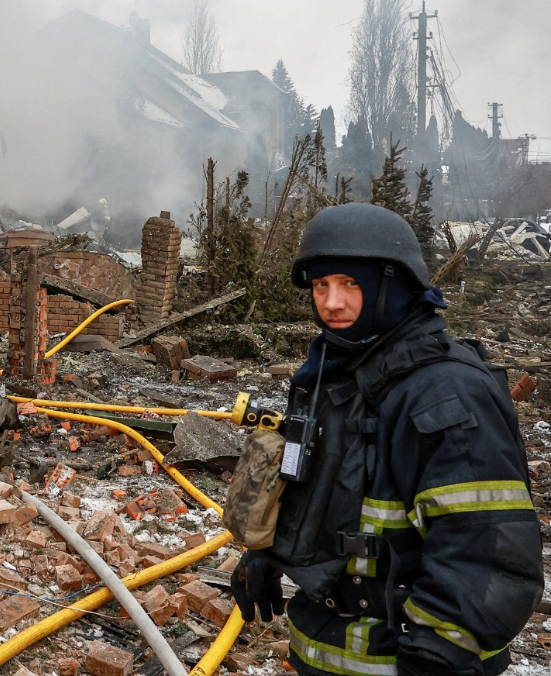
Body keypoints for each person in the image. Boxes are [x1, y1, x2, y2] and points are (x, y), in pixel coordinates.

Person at [230, 203, 542, 676]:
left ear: (393, 286)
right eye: (321, 285)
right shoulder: (330, 373)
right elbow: (317, 487)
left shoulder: (444, 391)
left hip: (407, 658)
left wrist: (439, 652)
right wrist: (270, 553)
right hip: (326, 648)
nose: (332, 303)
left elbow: (487, 550)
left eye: (351, 284)